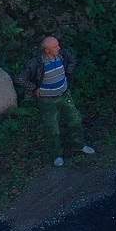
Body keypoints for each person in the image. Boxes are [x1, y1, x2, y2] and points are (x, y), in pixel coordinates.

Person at [19, 35, 95, 167]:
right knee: (52, 128)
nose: (59, 48)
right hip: (47, 101)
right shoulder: (36, 63)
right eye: (55, 46)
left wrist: (67, 74)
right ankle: (57, 155)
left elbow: (72, 61)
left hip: (65, 95)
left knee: (75, 120)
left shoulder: (62, 55)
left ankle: (79, 145)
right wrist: (34, 88)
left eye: (58, 45)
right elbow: (20, 79)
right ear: (47, 50)